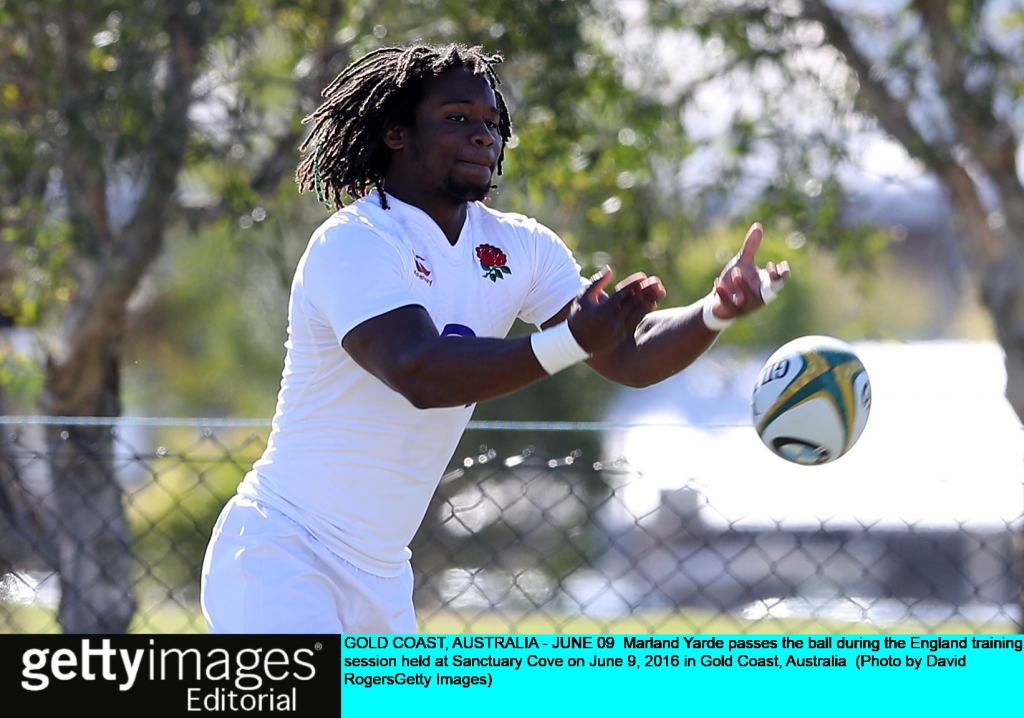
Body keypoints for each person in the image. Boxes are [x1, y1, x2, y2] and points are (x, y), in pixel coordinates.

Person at [200, 43, 789, 633]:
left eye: (490, 123)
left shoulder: (521, 247)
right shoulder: (355, 242)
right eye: (457, 118)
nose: (483, 136)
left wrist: (715, 309)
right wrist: (572, 342)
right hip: (282, 552)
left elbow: (626, 358)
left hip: (382, 576)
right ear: (397, 133)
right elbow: (420, 373)